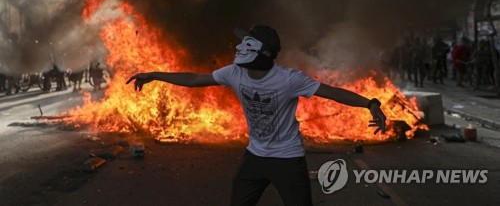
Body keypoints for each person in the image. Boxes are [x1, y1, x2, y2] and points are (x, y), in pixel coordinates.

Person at [127, 24, 387, 206]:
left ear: (264, 53)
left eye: (247, 42)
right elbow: (195, 78)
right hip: (255, 157)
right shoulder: (234, 73)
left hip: (287, 159)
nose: (240, 45)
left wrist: (370, 103)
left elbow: (332, 93)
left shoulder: (288, 79)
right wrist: (154, 75)